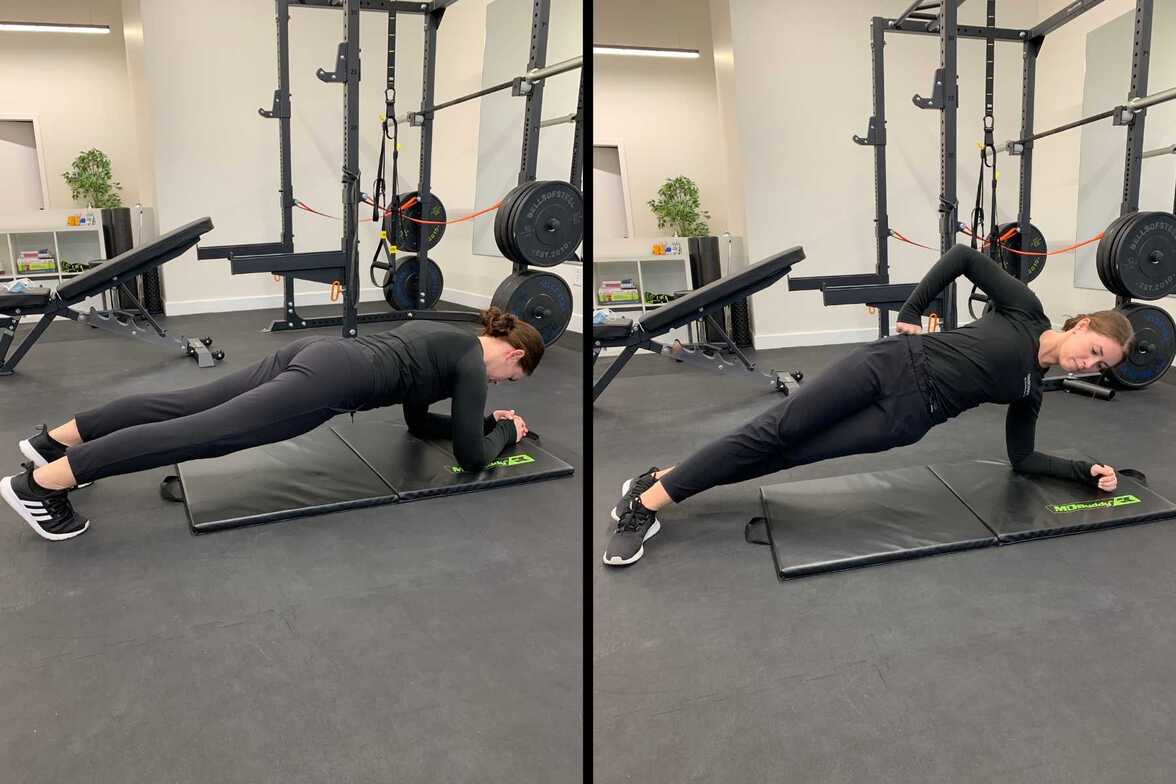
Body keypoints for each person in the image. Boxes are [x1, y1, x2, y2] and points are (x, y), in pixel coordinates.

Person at [604, 244, 1135, 567]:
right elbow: (964, 258)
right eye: (1093, 352)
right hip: (889, 364)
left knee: (787, 453)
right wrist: (911, 309)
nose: (1088, 365)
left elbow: (1022, 458)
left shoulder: (1031, 390)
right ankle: (644, 508)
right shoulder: (1026, 310)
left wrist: (1083, 471)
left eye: (1099, 366)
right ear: (1081, 326)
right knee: (773, 430)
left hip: (903, 421)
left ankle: (662, 478)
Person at [2, 308, 544, 541]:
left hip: (316, 353)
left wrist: (481, 420)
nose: (498, 387)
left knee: (184, 406)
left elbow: (418, 420)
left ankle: (51, 443)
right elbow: (473, 459)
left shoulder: (447, 336)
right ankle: (40, 487)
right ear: (515, 355)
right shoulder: (475, 364)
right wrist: (505, 432)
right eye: (509, 381)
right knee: (198, 434)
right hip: (327, 386)